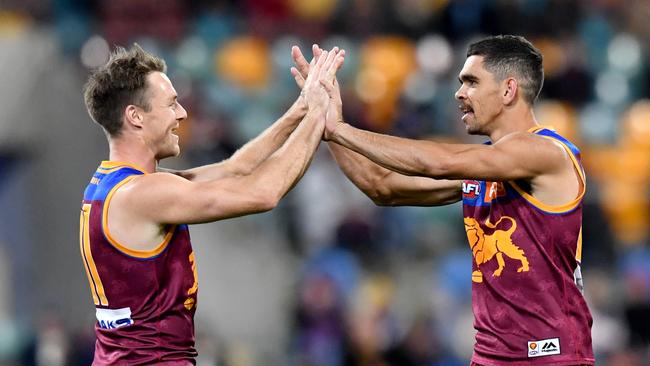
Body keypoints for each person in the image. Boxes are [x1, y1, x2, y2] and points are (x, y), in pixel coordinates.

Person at [291, 35, 594, 365]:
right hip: (490, 356)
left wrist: (339, 129)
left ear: (508, 90)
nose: (459, 93)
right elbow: (381, 187)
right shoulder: (486, 168)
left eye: (472, 82)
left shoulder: (547, 152)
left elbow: (439, 163)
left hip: (552, 356)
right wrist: (326, 120)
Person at [79, 43, 344, 365]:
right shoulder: (146, 194)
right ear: (135, 116)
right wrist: (319, 114)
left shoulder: (116, 184)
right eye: (171, 104)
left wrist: (302, 109)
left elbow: (236, 168)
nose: (182, 113)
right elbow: (264, 194)